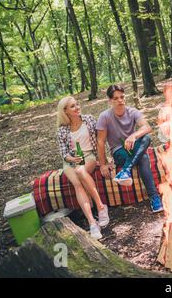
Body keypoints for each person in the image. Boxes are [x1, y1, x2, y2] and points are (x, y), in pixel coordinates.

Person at [96, 84, 163, 213]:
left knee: (147, 138)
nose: (120, 100)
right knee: (143, 157)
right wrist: (103, 164)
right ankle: (154, 197)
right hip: (118, 151)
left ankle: (125, 171)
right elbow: (100, 141)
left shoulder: (132, 112)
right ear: (110, 101)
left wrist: (133, 135)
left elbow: (147, 128)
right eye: (115, 98)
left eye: (122, 97)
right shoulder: (104, 116)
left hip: (133, 147)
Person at [56, 97, 110, 240]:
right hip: (71, 161)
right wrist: (71, 159)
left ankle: (100, 206)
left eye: (77, 104)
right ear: (65, 111)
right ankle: (92, 223)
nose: (77, 107)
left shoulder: (89, 120)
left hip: (89, 156)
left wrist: (105, 160)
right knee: (77, 184)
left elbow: (100, 140)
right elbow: (63, 152)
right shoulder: (62, 130)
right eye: (72, 106)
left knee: (80, 171)